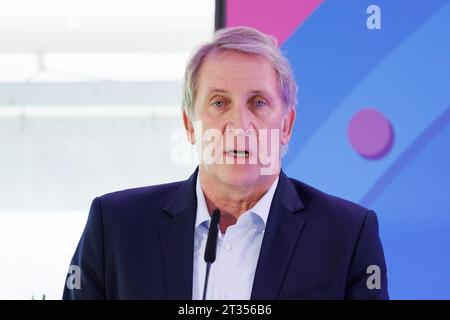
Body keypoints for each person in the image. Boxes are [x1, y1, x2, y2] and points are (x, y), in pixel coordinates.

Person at [63, 26, 388, 300]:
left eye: (258, 103)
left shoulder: (348, 235)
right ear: (190, 125)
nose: (239, 124)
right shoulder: (115, 226)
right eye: (219, 103)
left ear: (286, 125)